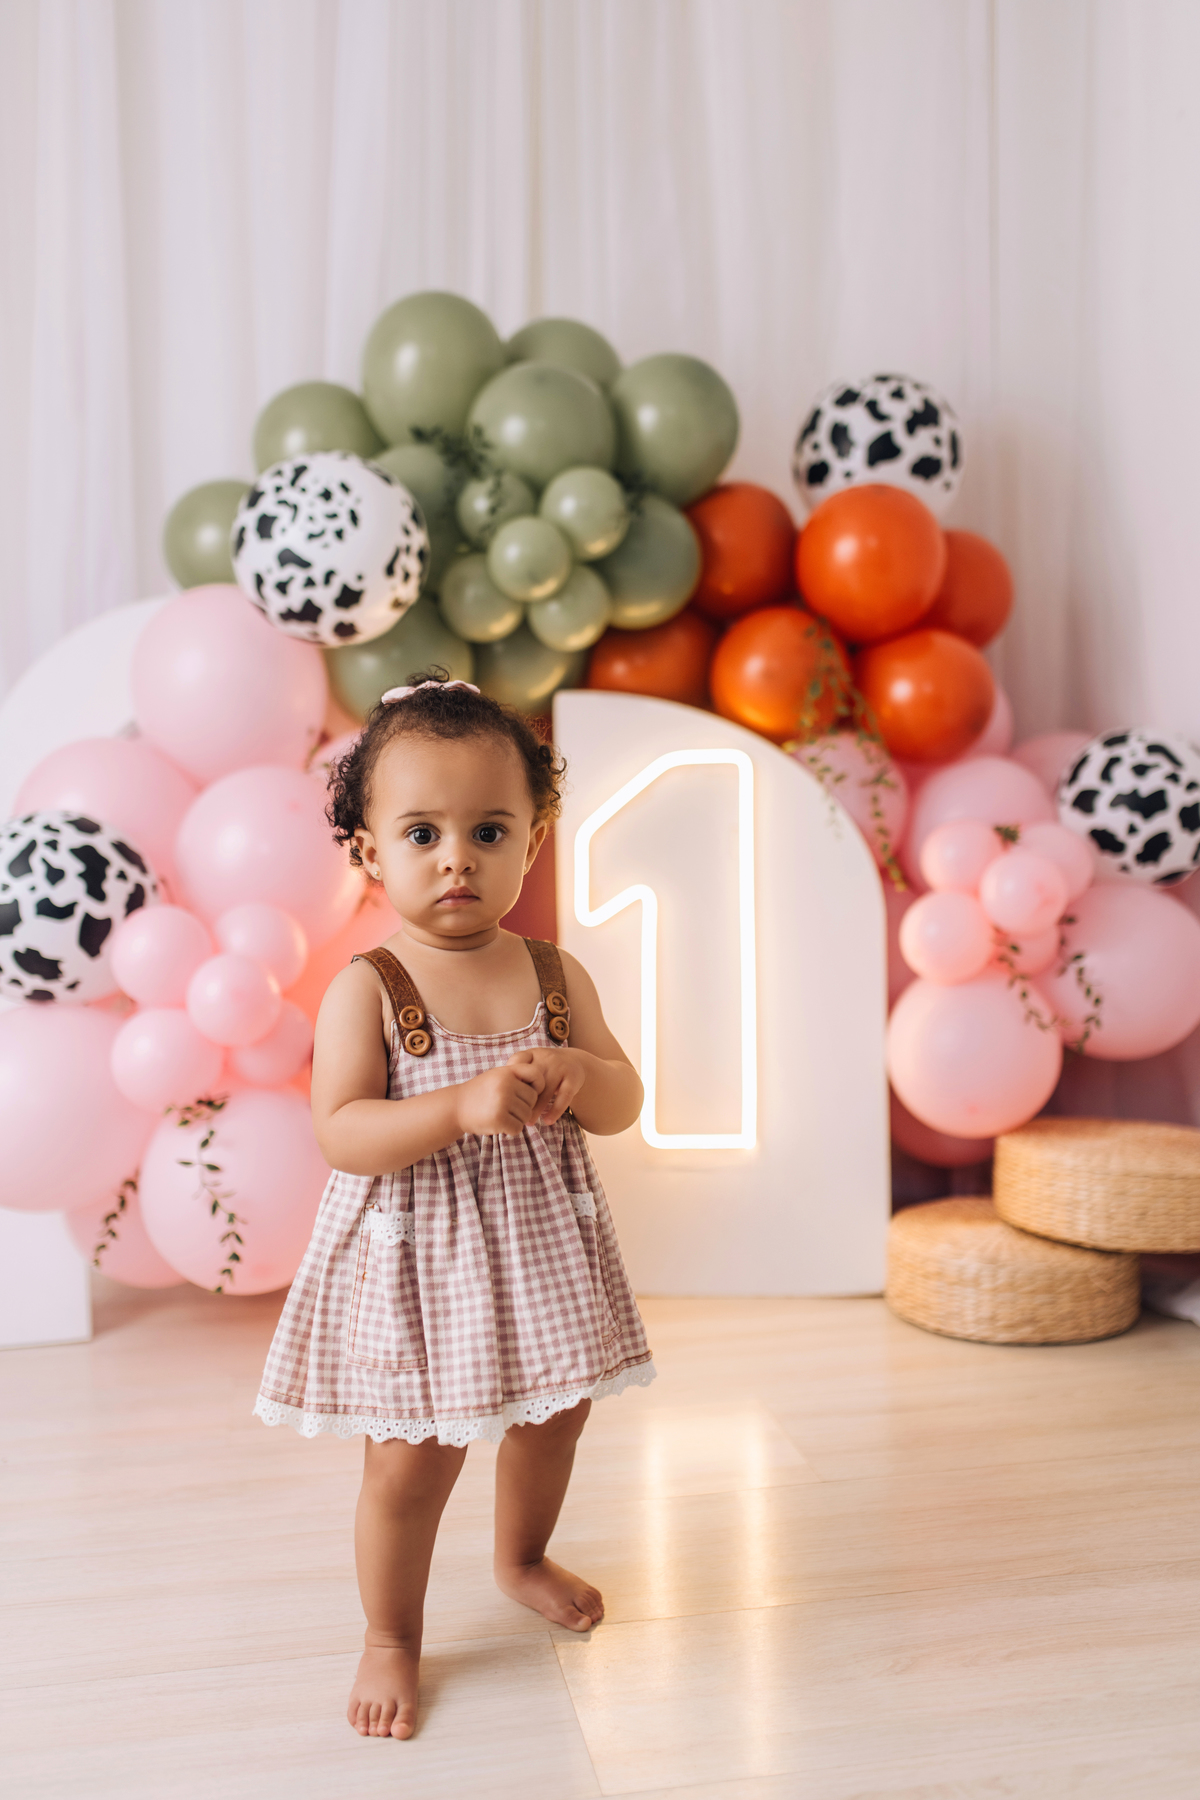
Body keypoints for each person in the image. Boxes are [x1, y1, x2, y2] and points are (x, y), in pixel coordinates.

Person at [253, 673, 654, 1741]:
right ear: (369, 852)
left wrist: (580, 1072)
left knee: (555, 1414)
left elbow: (623, 1103)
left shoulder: (555, 975)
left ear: (535, 839)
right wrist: (459, 1107)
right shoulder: (371, 987)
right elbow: (342, 1130)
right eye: (422, 833)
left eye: (488, 831)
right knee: (411, 1461)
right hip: (420, 1264)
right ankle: (391, 1633)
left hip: (540, 1249)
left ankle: (521, 1558)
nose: (457, 860)